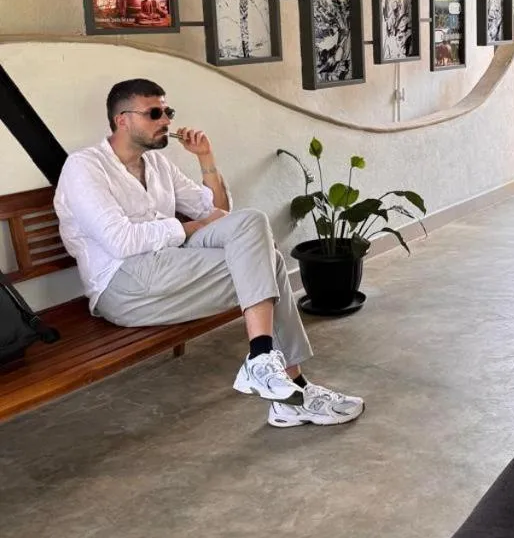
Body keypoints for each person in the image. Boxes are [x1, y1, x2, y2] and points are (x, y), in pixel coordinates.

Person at [53, 78, 364, 430]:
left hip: (171, 266)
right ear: (122, 119)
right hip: (122, 284)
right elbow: (120, 242)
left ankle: (264, 361)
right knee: (269, 262)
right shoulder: (84, 167)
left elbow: (219, 211)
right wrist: (189, 229)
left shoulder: (157, 165)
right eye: (155, 113)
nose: (166, 121)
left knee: (251, 223)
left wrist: (206, 159)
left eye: (167, 111)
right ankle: (291, 387)